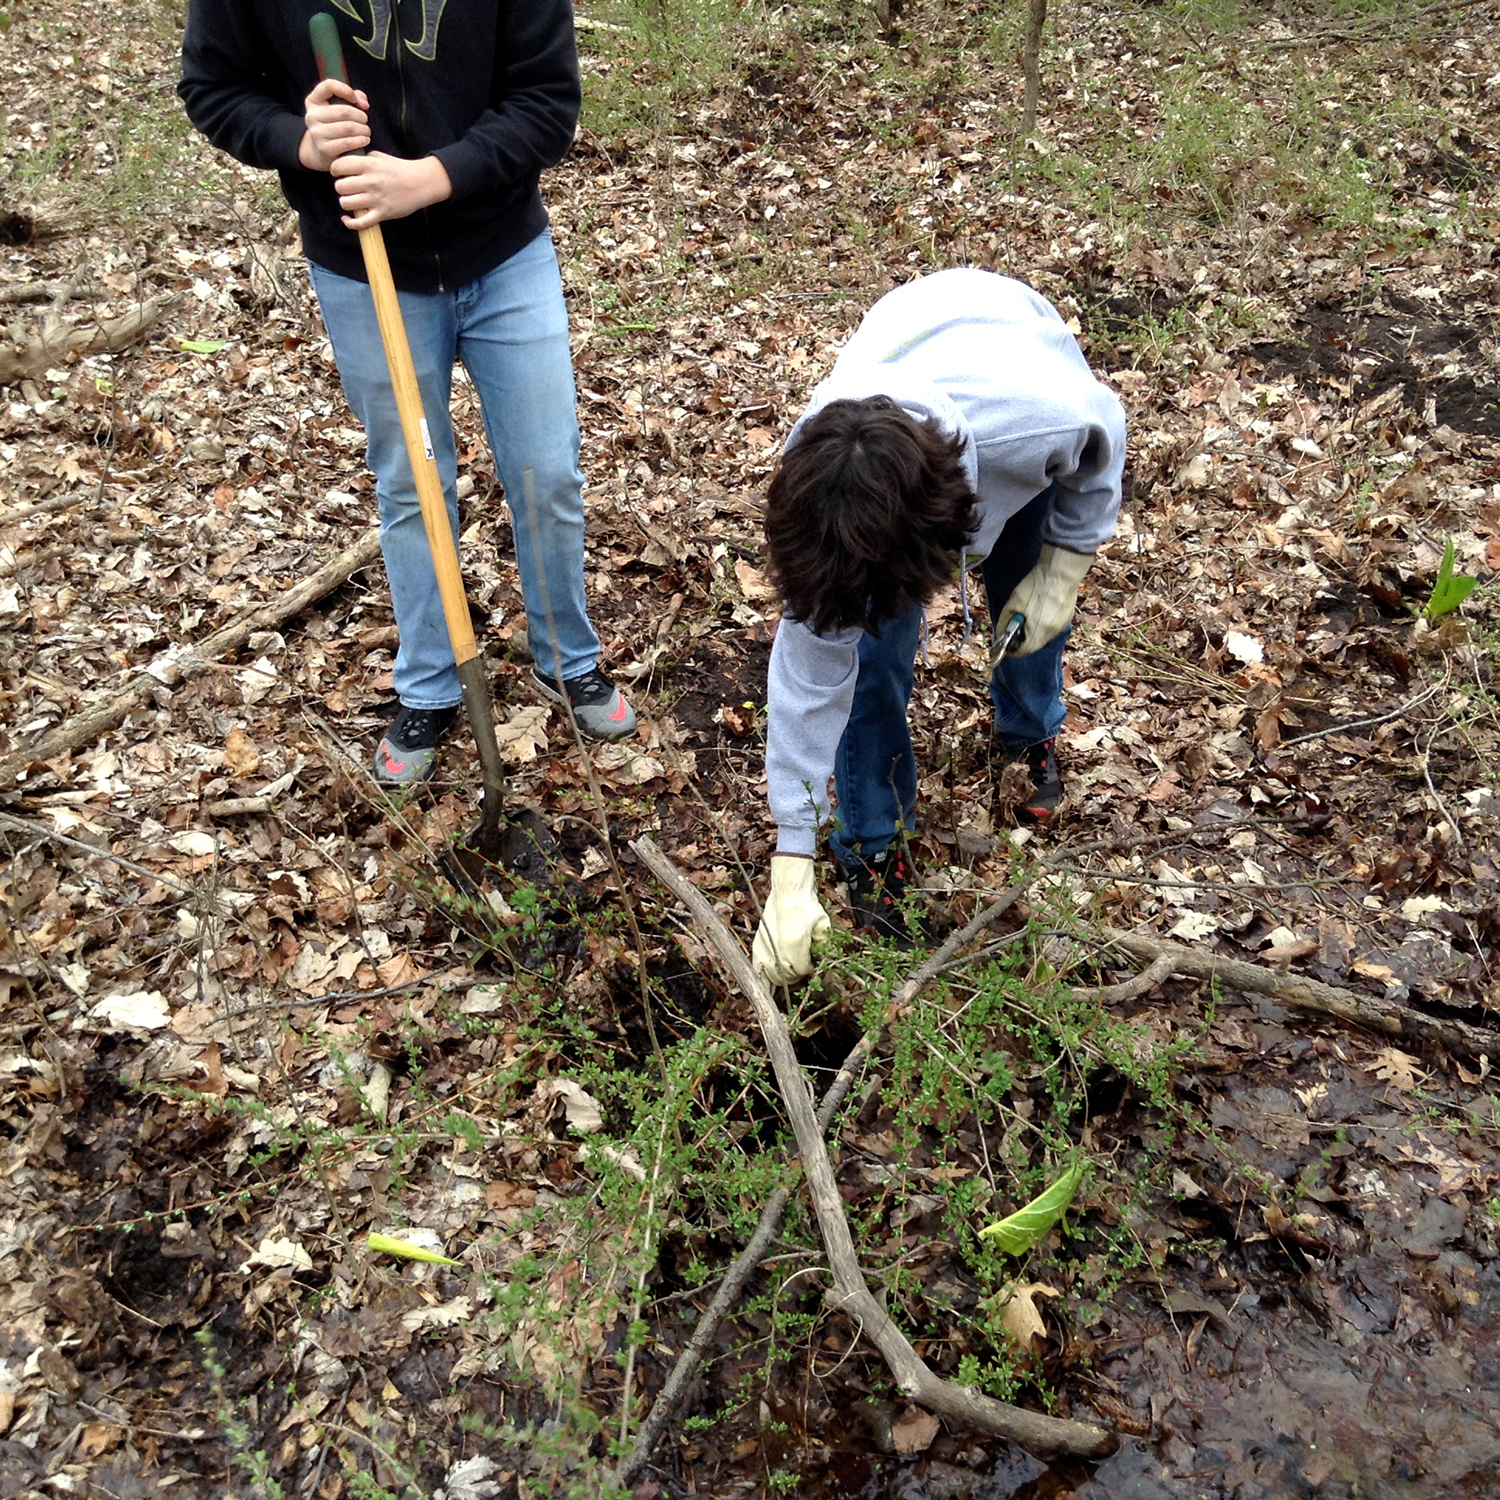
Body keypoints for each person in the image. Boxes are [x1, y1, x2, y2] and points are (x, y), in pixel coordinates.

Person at [179, 0, 635, 785]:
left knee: (545, 469)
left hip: (502, 251)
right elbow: (214, 87)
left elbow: (547, 102)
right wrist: (301, 141)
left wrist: (430, 178)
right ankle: (430, 683)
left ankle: (565, 658)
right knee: (412, 481)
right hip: (362, 262)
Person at [750, 269, 1126, 986]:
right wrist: (790, 862)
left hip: (1010, 346)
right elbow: (808, 680)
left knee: (1026, 607)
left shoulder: (1043, 420)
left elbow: (1104, 435)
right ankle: (874, 841)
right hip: (910, 333)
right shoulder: (822, 488)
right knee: (868, 665)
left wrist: (1062, 570)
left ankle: (1030, 734)